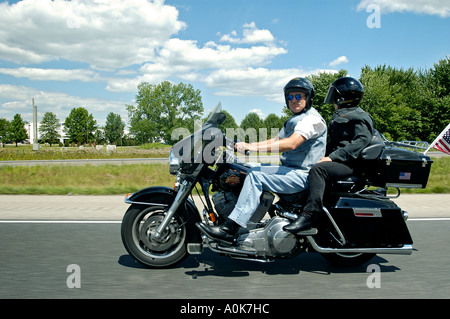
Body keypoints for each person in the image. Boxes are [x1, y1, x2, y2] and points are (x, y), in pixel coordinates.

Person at [196, 77, 327, 243]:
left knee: (256, 175)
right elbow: (274, 141)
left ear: (308, 98)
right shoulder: (295, 120)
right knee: (244, 166)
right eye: (290, 97)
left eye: (298, 96)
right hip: (290, 170)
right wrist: (242, 146)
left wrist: (253, 148)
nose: (294, 100)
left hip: (302, 175)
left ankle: (231, 227)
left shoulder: (311, 120)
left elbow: (292, 143)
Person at [283, 76, 375, 233]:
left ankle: (310, 214)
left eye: (335, 95)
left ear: (343, 97)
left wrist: (333, 157)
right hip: (342, 162)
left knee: (319, 170)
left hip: (351, 164)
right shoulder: (343, 115)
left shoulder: (360, 116)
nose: (333, 99)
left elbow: (361, 142)